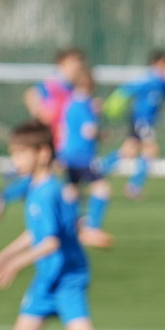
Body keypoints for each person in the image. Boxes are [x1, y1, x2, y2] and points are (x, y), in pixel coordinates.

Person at [0, 121, 139, 330]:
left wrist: (14, 264)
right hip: (49, 276)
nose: (15, 161)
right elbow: (35, 233)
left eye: (20, 154)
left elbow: (51, 242)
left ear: (42, 153)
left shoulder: (48, 191)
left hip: (67, 276)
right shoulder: (39, 188)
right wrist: (2, 257)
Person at [56, 57, 116, 248]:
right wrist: (103, 134)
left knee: (71, 191)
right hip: (82, 155)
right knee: (102, 190)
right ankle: (91, 227)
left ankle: (72, 225)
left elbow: (67, 128)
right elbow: (88, 131)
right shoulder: (83, 106)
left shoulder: (71, 103)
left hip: (67, 153)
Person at [120, 49, 165, 200]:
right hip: (141, 121)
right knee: (151, 150)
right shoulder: (147, 80)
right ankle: (134, 186)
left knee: (128, 151)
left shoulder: (163, 83)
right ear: (156, 63)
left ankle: (96, 170)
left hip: (145, 122)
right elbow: (127, 90)